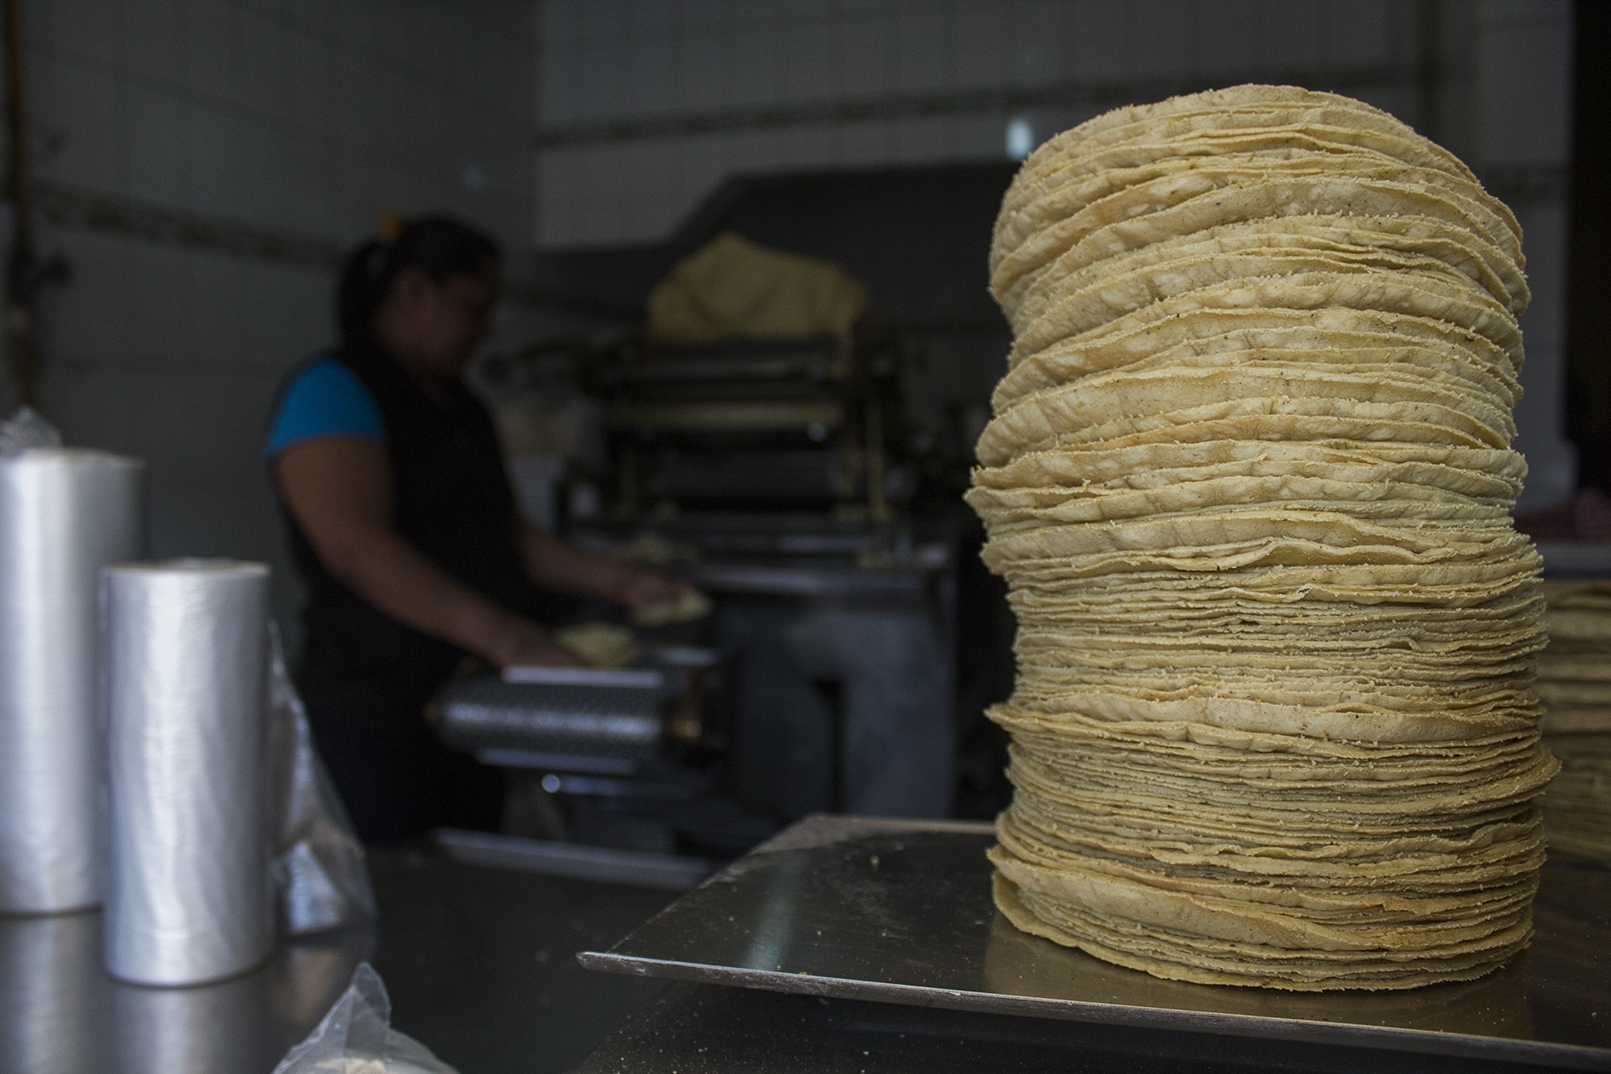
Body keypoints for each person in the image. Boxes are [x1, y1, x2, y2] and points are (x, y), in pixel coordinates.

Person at [266, 215, 685, 845]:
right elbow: (356, 549)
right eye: (474, 307)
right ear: (414, 291)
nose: (485, 331)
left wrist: (622, 582)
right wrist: (510, 639)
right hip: (375, 716)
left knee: (468, 872)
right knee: (395, 883)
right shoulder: (331, 392)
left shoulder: (461, 408)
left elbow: (509, 537)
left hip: (472, 704)